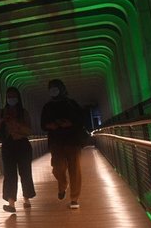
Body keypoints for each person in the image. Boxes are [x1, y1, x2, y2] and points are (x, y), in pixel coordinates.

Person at [40, 79, 84, 209]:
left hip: (73, 141)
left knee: (75, 170)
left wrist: (70, 123)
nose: (53, 90)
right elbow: (42, 125)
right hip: (56, 142)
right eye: (51, 88)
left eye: (56, 87)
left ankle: (74, 199)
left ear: (62, 88)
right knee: (57, 168)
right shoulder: (47, 107)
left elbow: (81, 120)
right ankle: (63, 184)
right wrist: (51, 125)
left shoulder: (72, 104)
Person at [0, 86, 36, 213]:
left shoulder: (23, 112)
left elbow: (29, 131)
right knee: (9, 174)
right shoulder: (1, 112)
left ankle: (26, 198)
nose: (11, 99)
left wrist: (16, 124)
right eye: (9, 96)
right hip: (8, 144)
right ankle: (11, 203)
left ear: (18, 98)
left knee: (25, 172)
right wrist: (1, 120)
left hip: (22, 144)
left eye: (13, 96)